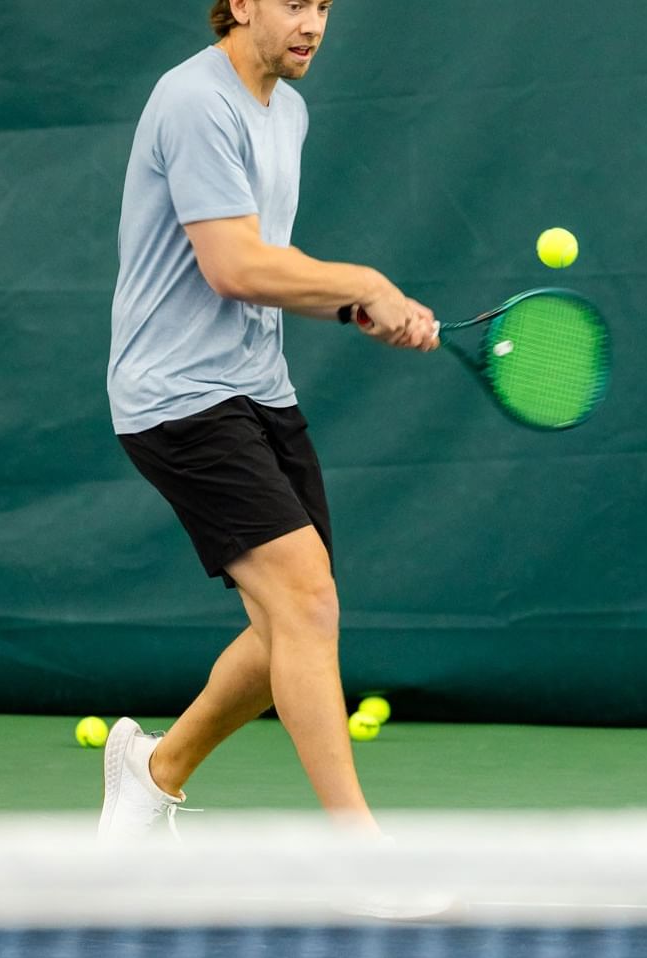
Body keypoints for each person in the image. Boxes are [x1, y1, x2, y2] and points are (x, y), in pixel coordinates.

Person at [100, 0, 438, 840]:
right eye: (294, 3)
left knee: (288, 623)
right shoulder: (193, 100)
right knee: (307, 601)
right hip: (176, 395)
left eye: (325, 5)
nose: (314, 23)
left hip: (258, 385)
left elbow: (269, 262)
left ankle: (152, 772)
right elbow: (231, 264)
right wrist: (362, 279)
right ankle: (360, 853)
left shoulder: (287, 110)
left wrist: (352, 307)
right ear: (241, 2)